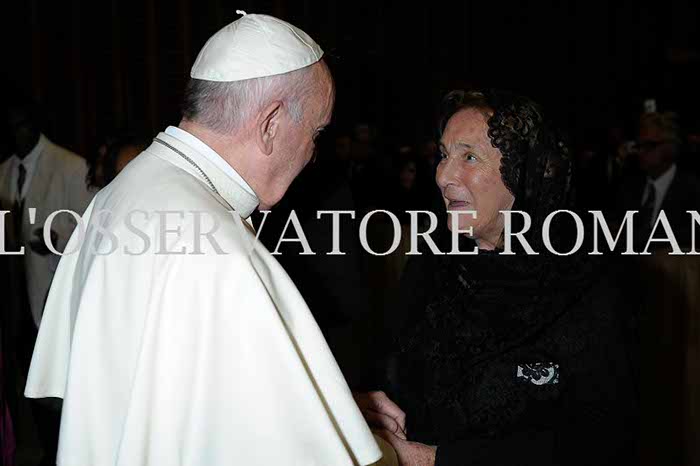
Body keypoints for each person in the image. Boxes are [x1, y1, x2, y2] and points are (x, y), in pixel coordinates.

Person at [24, 12, 394, 466]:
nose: (313, 153)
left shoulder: (121, 193)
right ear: (271, 123)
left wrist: (328, 407)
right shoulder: (218, 246)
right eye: (315, 133)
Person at [357, 89, 639, 466]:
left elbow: (603, 442)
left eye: (469, 157)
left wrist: (435, 460)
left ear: (524, 171)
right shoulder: (435, 258)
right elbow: (388, 362)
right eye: (443, 154)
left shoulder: (587, 279)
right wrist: (370, 401)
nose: (443, 175)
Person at [0, 95, 94, 466]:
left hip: (54, 302)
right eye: (9, 127)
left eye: (21, 124)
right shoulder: (4, 170)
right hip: (14, 304)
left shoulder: (71, 167)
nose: (15, 133)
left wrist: (57, 241)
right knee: (27, 396)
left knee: (60, 397)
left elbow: (94, 236)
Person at [614, 111, 700, 249]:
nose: (640, 152)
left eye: (649, 145)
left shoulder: (692, 191)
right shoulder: (629, 187)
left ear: (670, 146)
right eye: (638, 145)